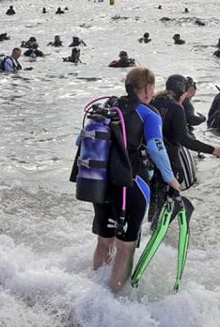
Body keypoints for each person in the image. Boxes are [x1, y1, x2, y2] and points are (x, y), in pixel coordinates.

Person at [90, 67, 181, 293]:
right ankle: (115, 301)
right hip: (130, 187)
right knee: (125, 247)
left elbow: (80, 142)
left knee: (104, 240)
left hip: (100, 184)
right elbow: (157, 148)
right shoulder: (148, 113)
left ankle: (95, 291)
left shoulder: (108, 108)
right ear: (149, 88)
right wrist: (171, 179)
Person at [149, 75, 220, 214]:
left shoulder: (154, 100)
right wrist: (212, 150)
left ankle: (150, 224)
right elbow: (184, 139)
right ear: (182, 93)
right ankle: (160, 228)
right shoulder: (176, 107)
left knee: (155, 195)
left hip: (149, 157)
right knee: (172, 190)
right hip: (168, 158)